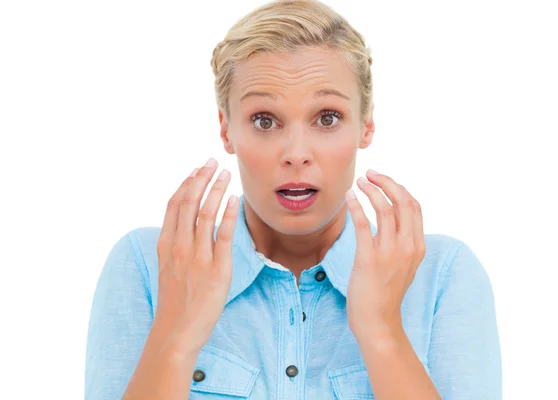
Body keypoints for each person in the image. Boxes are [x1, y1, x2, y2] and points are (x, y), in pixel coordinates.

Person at [84, 0, 502, 399]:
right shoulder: (150, 266)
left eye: (327, 118)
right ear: (227, 130)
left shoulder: (442, 276)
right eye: (264, 120)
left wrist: (382, 333)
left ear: (366, 125)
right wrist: (175, 339)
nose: (296, 152)